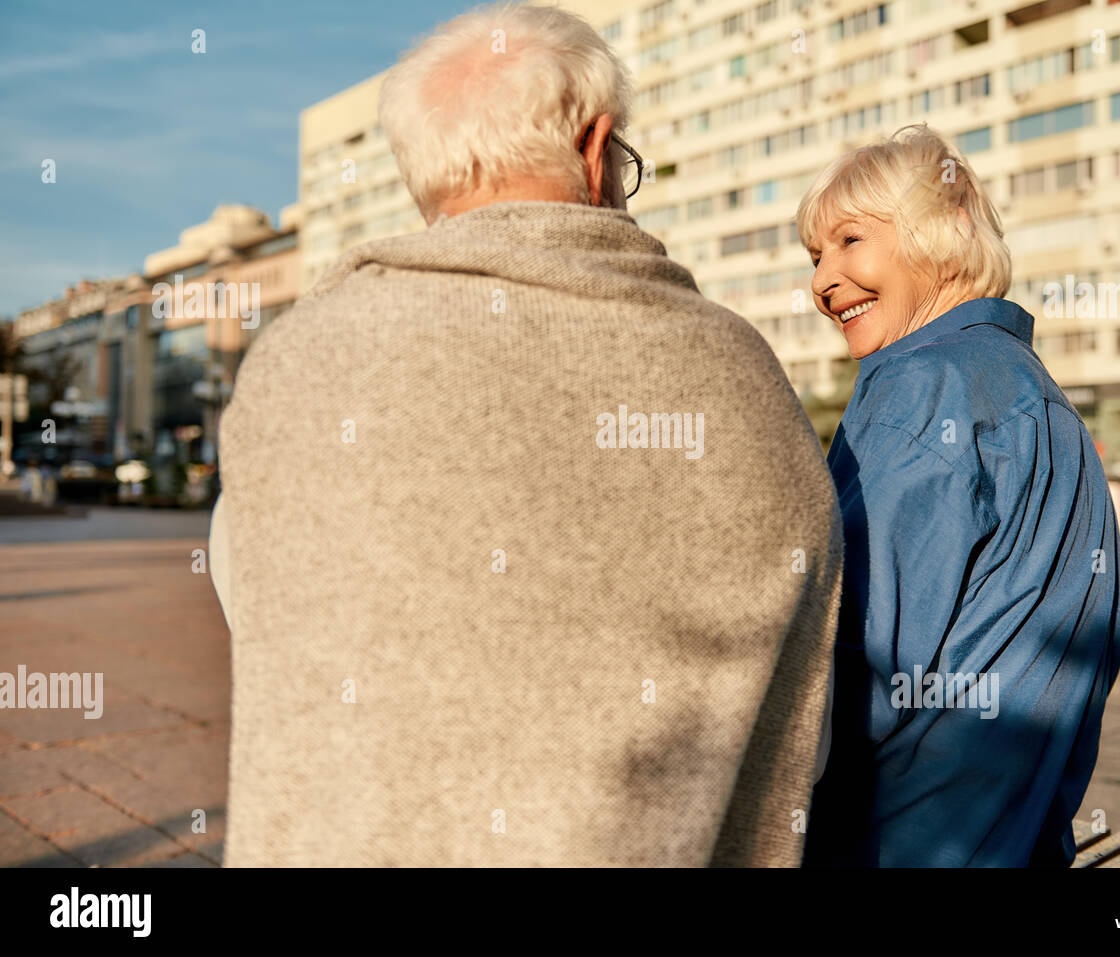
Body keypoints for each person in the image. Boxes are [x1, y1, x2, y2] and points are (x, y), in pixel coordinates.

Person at [208, 2, 842, 867]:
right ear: (596, 145)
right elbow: (811, 718)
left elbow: (260, 609)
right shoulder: (740, 377)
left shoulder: (293, 365)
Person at [797, 125, 1120, 867]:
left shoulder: (922, 388)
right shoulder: (1039, 400)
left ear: (938, 237)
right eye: (815, 256)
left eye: (850, 241)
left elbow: (857, 660)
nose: (822, 280)